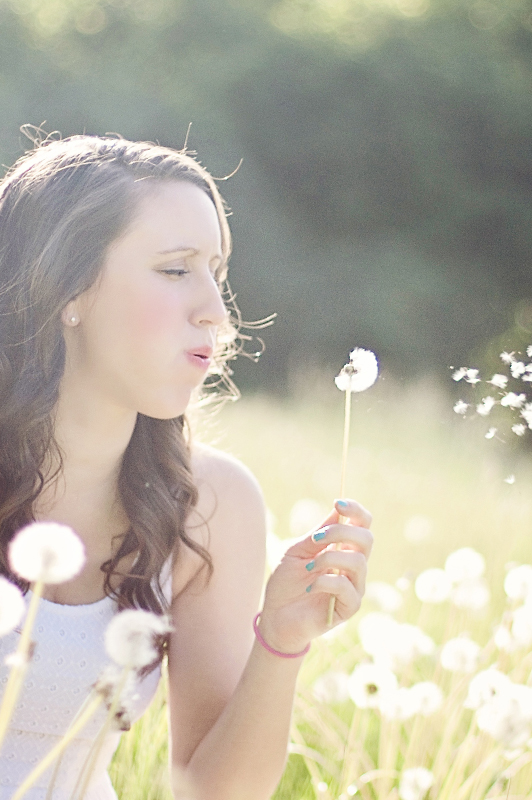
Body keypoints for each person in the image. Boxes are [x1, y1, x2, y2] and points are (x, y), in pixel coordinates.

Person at [0, 134, 373, 800]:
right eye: (176, 270)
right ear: (67, 289)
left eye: (218, 274)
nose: (218, 315)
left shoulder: (211, 503)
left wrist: (281, 639)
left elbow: (211, 792)